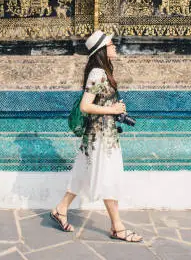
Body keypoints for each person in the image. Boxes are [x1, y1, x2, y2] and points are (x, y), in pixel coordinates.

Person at [50, 30, 143, 243]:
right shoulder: (98, 73)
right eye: (111, 43)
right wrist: (112, 109)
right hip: (101, 137)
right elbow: (85, 106)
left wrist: (114, 108)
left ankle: (60, 209)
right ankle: (117, 227)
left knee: (84, 171)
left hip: (101, 134)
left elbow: (97, 102)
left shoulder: (101, 71)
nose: (115, 46)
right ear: (102, 49)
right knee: (108, 176)